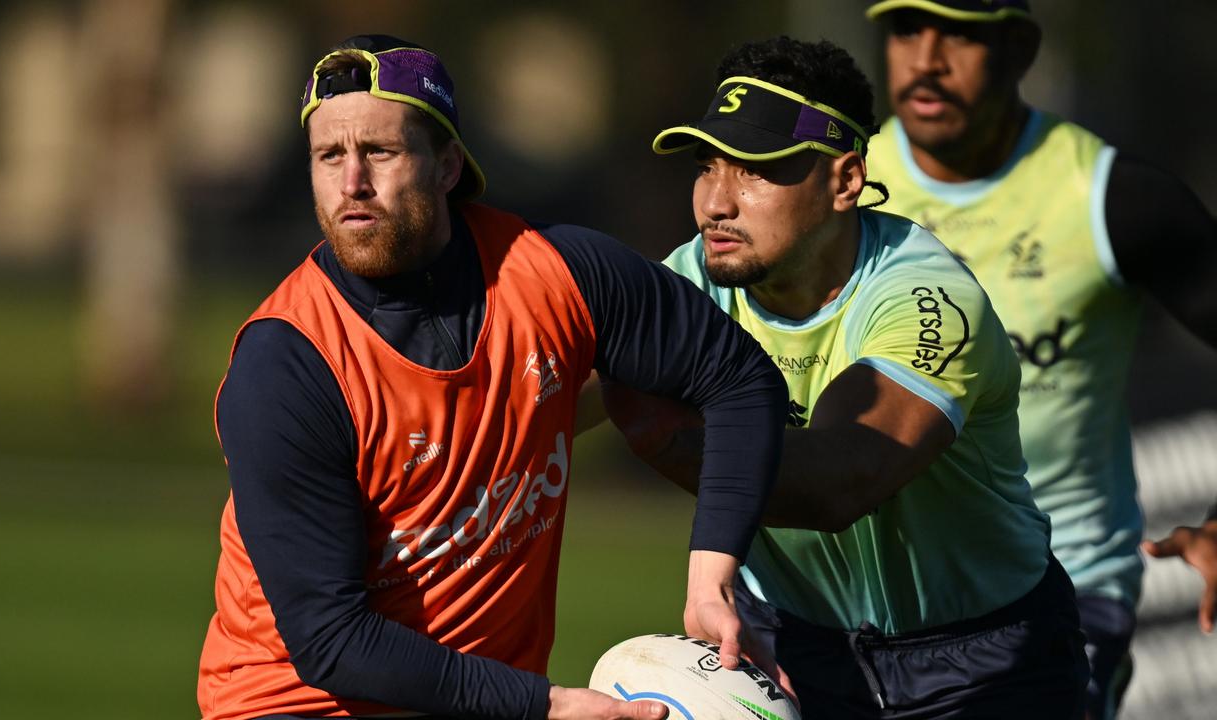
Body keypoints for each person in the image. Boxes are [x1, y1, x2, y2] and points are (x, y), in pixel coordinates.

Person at [195, 35, 790, 720]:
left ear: (447, 165)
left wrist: (711, 578)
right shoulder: (288, 363)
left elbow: (740, 378)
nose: (351, 183)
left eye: (380, 152)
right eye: (330, 156)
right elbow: (329, 639)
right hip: (296, 704)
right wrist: (550, 706)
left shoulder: (556, 274)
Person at [598, 35, 1089, 718]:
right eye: (709, 166)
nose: (718, 202)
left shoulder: (926, 300)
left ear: (845, 180)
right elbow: (537, 395)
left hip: (985, 665)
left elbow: (840, 481)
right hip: (793, 651)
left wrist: (659, 432)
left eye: (757, 171)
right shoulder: (689, 283)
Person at [861, 1, 1217, 715]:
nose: (927, 58)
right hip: (867, 608)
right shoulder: (838, 190)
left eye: (958, 31)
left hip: (1061, 598)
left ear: (1019, 49)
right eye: (906, 28)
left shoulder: (1108, 196)